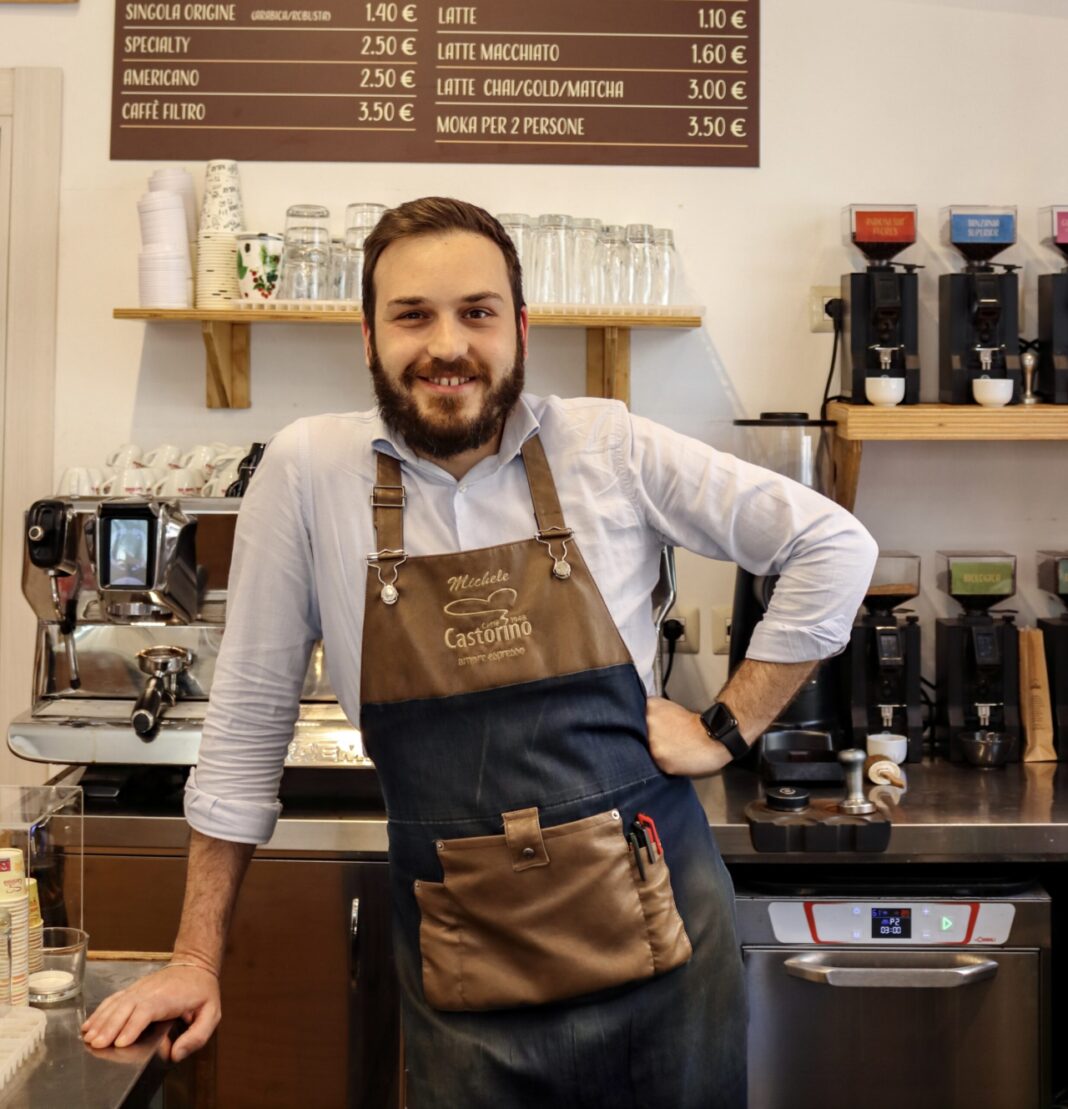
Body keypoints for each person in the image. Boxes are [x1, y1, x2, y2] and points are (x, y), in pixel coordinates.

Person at [82, 197, 877, 1107]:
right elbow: (248, 724)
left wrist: (724, 727)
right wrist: (194, 956)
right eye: (412, 315)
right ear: (369, 338)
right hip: (463, 973)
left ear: (521, 327)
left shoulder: (607, 444)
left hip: (665, 950)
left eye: (478, 312)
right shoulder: (307, 473)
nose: (447, 345)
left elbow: (833, 545)